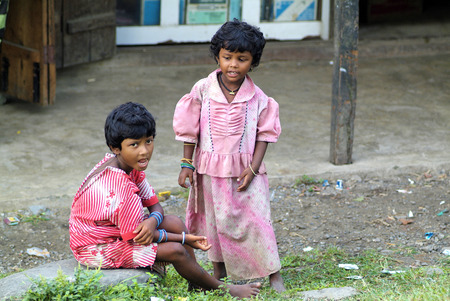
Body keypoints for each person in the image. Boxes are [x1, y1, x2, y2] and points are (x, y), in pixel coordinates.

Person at [69, 102, 261, 299]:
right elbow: (139, 237)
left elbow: (155, 206)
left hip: (115, 229)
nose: (144, 151)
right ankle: (221, 288)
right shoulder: (119, 189)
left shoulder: (129, 166)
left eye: (148, 141)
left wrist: (152, 220)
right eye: (134, 144)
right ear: (115, 148)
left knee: (175, 222)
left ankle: (196, 283)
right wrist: (185, 239)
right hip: (95, 247)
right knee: (175, 250)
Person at [173, 19, 285, 292]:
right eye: (227, 57)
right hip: (209, 170)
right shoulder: (202, 90)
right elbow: (190, 130)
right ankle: (218, 271)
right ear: (217, 57)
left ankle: (274, 274)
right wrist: (187, 164)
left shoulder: (259, 98)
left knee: (257, 221)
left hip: (246, 171)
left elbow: (264, 135)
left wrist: (254, 168)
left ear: (253, 62)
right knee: (213, 223)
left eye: (242, 59)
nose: (233, 65)